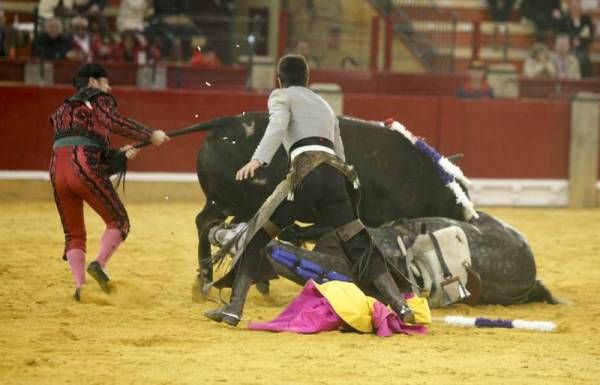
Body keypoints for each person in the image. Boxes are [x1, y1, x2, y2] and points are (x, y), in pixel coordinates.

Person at [204, 54, 415, 327]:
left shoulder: (281, 96)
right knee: (357, 242)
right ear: (308, 79)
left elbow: (278, 126)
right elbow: (339, 150)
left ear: (279, 79)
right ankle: (400, 305)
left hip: (305, 175)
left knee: (257, 235)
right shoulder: (325, 105)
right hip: (334, 177)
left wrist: (258, 159)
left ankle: (234, 309)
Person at [49, 63, 169, 301]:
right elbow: (112, 122)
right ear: (93, 82)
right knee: (119, 221)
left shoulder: (61, 110)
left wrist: (120, 155)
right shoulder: (98, 97)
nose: (109, 87)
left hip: (56, 170)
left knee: (73, 234)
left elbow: (84, 145)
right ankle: (99, 264)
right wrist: (149, 134)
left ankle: (81, 287)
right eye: (106, 82)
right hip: (82, 165)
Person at [565, 0, 595, 77]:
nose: (575, 8)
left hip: (583, 47)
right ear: (570, 7)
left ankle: (585, 82)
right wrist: (572, 41)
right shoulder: (566, 19)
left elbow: (590, 35)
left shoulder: (586, 19)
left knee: (583, 58)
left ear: (580, 6)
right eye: (573, 6)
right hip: (568, 47)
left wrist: (581, 41)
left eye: (576, 6)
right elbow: (563, 33)